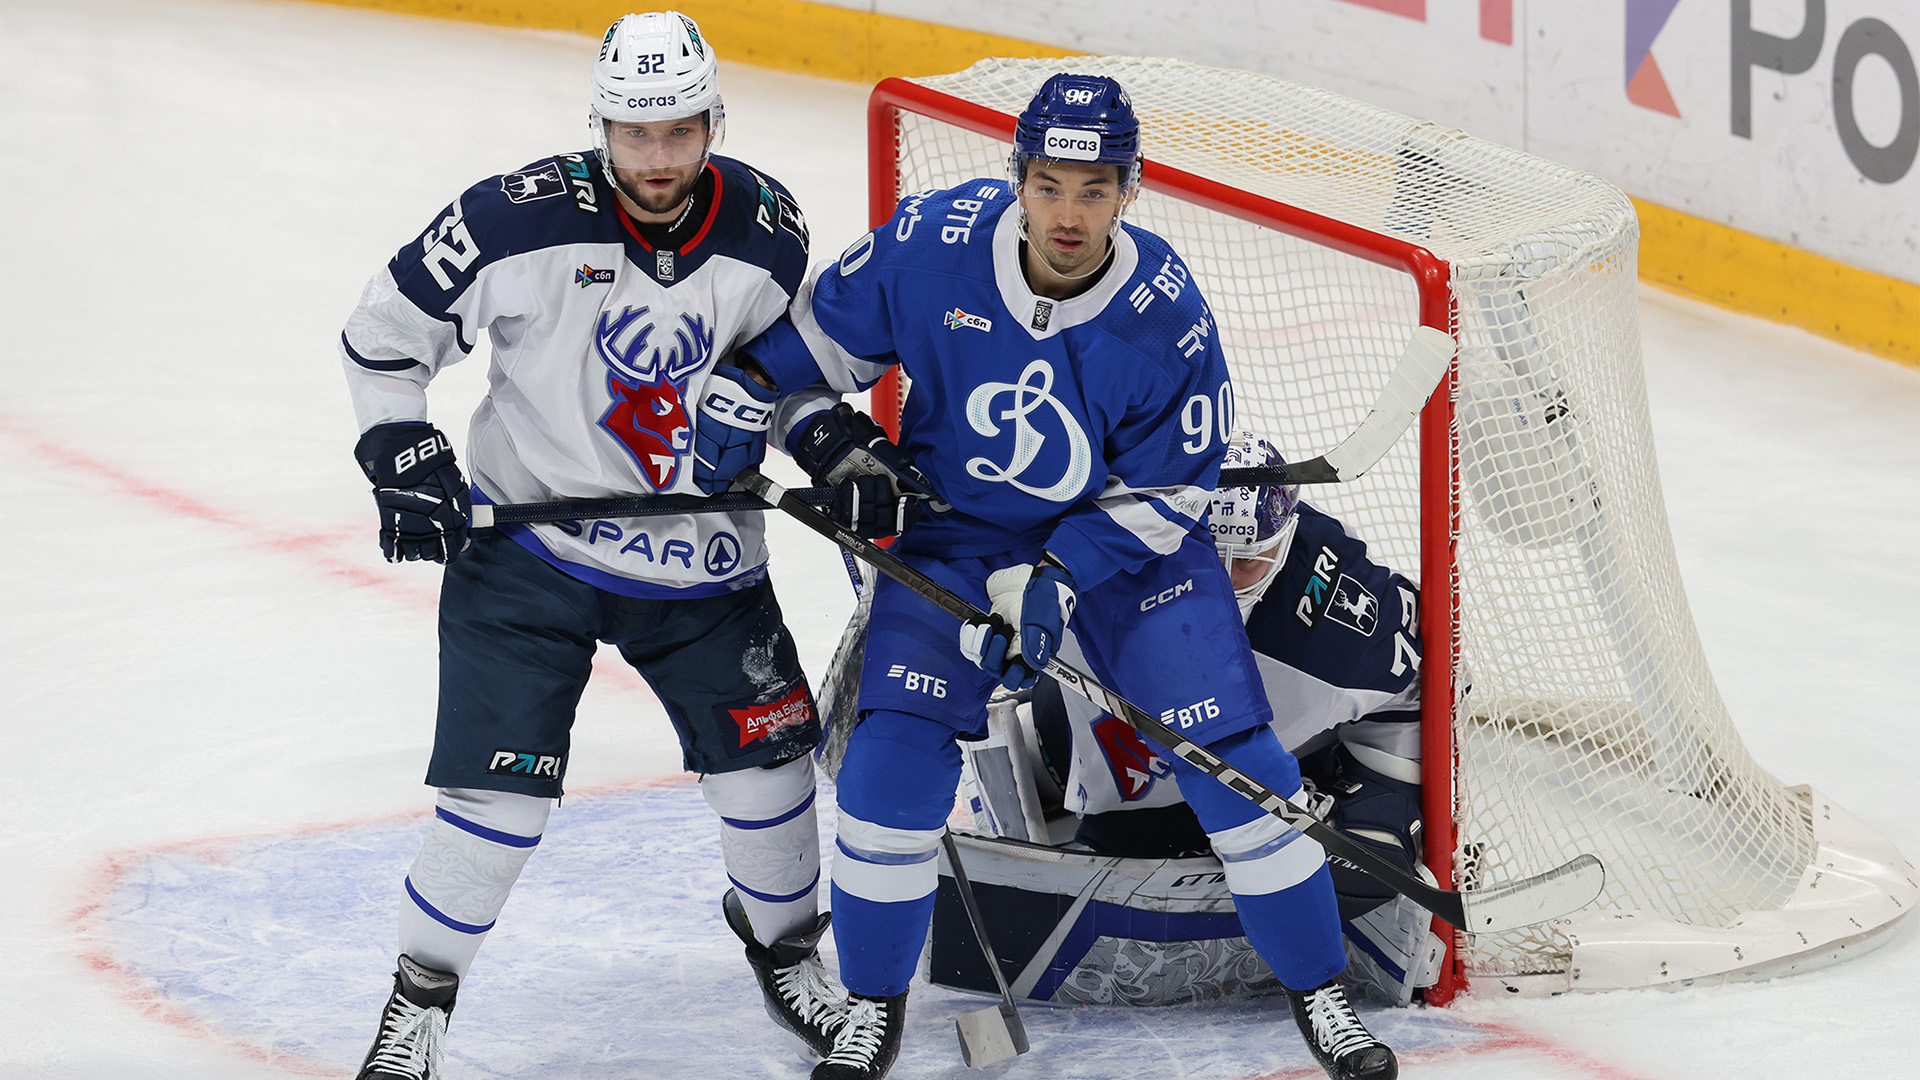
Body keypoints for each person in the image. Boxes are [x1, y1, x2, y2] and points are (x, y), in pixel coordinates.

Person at [742, 75, 1397, 1080]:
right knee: (888, 770)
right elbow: (783, 368)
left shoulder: (1164, 308)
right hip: (956, 533)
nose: (1068, 215)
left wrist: (1060, 574)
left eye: (1095, 191)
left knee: (1238, 766)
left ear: (1130, 189)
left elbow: (1175, 488)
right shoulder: (930, 244)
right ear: (1017, 178)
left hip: (1125, 548)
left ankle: (1322, 996)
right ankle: (872, 1010)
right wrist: (830, 442)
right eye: (1049, 186)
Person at [336, 13, 848, 1079]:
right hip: (529, 552)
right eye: (634, 132)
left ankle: (788, 951)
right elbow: (385, 335)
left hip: (702, 559)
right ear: (600, 125)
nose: (657, 157)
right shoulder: (510, 220)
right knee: (498, 804)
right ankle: (420, 1000)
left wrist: (825, 440)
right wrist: (398, 446)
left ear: (713, 122)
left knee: (769, 779)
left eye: (679, 131)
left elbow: (783, 375)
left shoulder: (767, 230)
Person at [954, 429, 1441, 1007]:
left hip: (1270, 772)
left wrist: (1382, 804)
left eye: (1248, 561)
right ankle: (1043, 768)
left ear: (1285, 541)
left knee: (1352, 854)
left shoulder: (1341, 616)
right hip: (1103, 766)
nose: (1226, 581)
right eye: (1209, 552)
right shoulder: (1108, 545)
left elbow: (1416, 684)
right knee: (1057, 750)